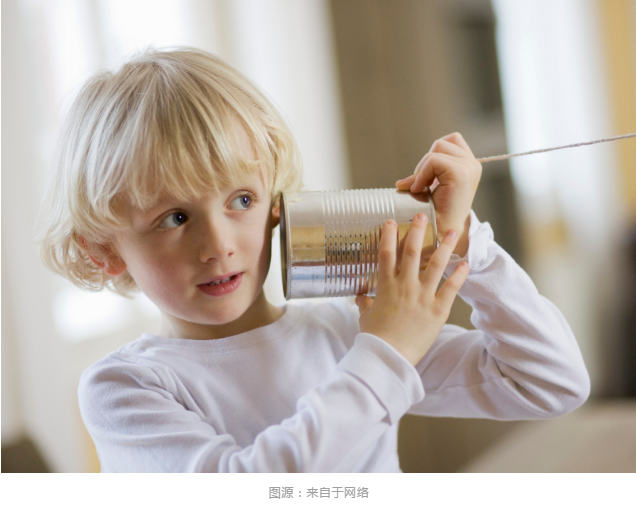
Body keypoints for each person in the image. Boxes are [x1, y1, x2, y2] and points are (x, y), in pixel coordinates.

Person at [39, 47, 590, 472]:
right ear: (105, 250)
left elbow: (551, 382)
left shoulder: (346, 331)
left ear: (277, 206)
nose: (219, 244)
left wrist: (468, 242)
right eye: (174, 218)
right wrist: (387, 352)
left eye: (242, 201)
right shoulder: (124, 389)